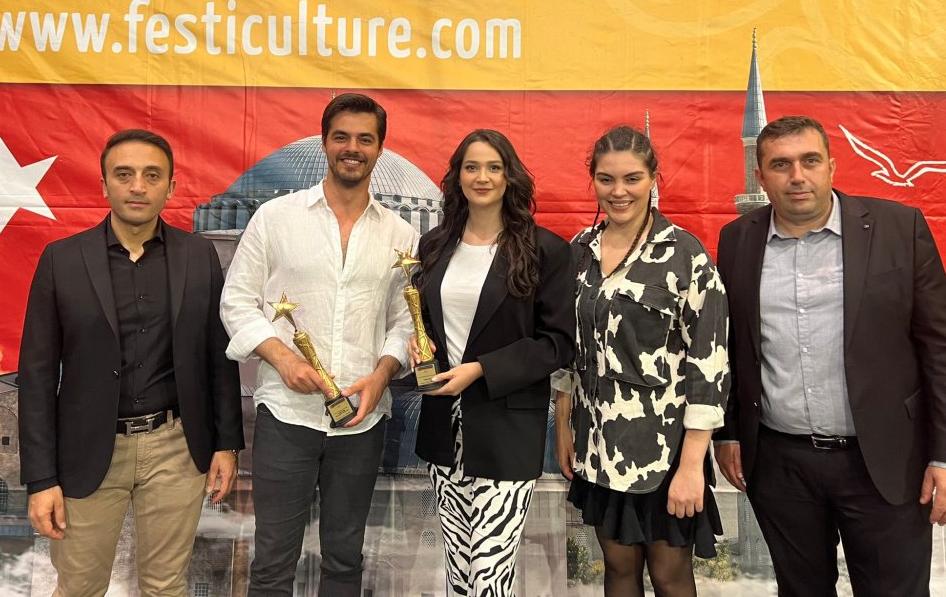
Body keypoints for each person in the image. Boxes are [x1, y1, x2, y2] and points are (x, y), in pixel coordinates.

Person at [713, 115, 946, 597]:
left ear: (832, 167)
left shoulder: (898, 228)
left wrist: (943, 455)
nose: (797, 176)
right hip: (781, 464)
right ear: (760, 176)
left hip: (884, 461)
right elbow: (732, 347)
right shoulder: (737, 239)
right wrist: (730, 431)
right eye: (781, 164)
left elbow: (938, 348)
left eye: (810, 161)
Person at [18, 129, 244, 597]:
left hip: (176, 447)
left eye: (151, 175)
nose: (138, 186)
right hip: (86, 451)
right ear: (104, 185)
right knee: (79, 587)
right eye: (124, 175)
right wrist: (40, 479)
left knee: (165, 586)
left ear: (171, 187)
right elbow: (36, 377)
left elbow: (217, 357)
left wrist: (227, 445)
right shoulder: (62, 260)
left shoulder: (199, 256)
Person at [220, 93, 418, 596]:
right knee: (272, 563)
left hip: (362, 421)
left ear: (380, 149)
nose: (353, 148)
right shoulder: (276, 218)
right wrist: (282, 358)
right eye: (341, 137)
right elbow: (236, 302)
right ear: (324, 142)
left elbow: (405, 322)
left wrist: (383, 374)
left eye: (365, 139)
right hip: (286, 416)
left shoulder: (401, 235)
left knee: (345, 561)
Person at [553, 125, 730, 597]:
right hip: (597, 447)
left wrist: (691, 465)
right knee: (617, 571)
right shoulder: (579, 251)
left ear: (654, 178)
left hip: (664, 453)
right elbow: (568, 347)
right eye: (606, 179)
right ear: (593, 180)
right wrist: (564, 423)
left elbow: (709, 367)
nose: (619, 191)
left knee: (670, 578)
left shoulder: (686, 256)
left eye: (632, 178)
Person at [409, 128, 575, 596]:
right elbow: (428, 322)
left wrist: (480, 368)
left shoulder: (546, 250)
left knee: (489, 573)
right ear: (457, 177)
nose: (482, 177)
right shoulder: (434, 246)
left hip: (508, 429)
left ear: (509, 176)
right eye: (472, 167)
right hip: (445, 429)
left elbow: (558, 344)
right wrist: (420, 345)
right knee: (460, 572)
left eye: (493, 167)